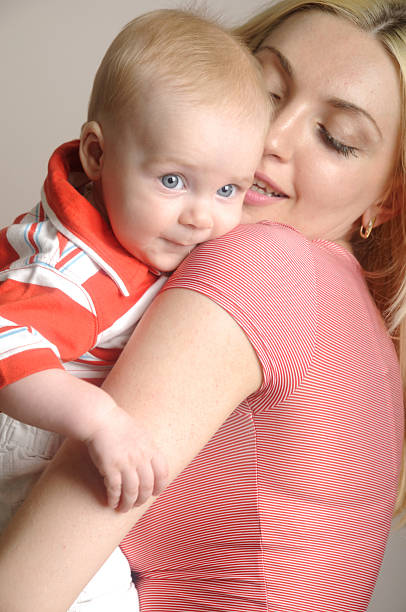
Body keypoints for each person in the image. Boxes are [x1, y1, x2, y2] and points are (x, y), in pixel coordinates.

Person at [0, 0, 405, 610]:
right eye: (266, 93)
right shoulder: (349, 311)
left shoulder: (263, 262)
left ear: (387, 202)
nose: (271, 138)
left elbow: (23, 592)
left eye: (335, 138)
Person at [0, 8, 270, 612]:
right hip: (23, 454)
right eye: (174, 180)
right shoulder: (74, 267)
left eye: (229, 189)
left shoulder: (136, 238)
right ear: (97, 155)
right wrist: (102, 420)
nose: (202, 217)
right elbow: (7, 344)